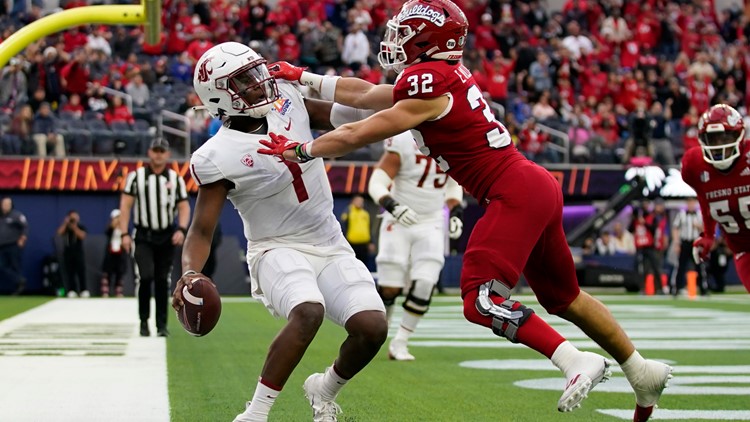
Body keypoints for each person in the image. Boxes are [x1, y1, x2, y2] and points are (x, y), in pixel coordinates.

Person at [262, 1, 672, 419]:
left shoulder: (426, 82)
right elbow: (367, 95)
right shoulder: (439, 75)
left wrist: (302, 149)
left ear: (427, 39)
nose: (397, 39)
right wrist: (304, 78)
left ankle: (571, 360)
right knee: (564, 297)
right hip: (535, 185)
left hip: (514, 191)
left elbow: (361, 130)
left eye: (406, 32)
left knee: (480, 299)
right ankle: (640, 370)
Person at [173, 42, 387, 422]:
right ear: (219, 95)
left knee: (371, 328)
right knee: (308, 312)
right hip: (275, 247)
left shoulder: (286, 97)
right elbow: (202, 228)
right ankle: (255, 413)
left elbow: (348, 114)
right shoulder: (215, 155)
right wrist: (190, 271)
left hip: (330, 243)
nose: (259, 82)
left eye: (256, 72)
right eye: (245, 80)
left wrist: (393, 101)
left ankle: (324, 390)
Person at [367, 131, 464, 361]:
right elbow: (377, 181)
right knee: (390, 287)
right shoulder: (403, 139)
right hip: (398, 217)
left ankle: (400, 342)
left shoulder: (454, 139)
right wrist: (392, 205)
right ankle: (381, 330)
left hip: (431, 220)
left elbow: (453, 184)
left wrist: (456, 211)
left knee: (425, 284)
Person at [119, 138, 190, 337]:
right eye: (155, 150)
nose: (158, 154)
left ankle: (161, 325)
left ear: (167, 154)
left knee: (162, 280)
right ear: (150, 153)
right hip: (144, 235)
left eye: (162, 151)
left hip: (166, 235)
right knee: (146, 276)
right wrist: (124, 233)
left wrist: (181, 229)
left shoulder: (175, 179)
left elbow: (184, 206)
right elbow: (125, 205)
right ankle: (143, 321)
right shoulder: (136, 177)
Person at [680, 103, 750, 294]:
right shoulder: (694, 166)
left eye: (725, 137)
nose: (719, 145)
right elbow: (706, 197)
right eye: (713, 139)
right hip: (744, 249)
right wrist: (709, 234)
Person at [669, 196, 707, 296]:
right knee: (681, 266)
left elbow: (705, 229)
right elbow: (675, 228)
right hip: (685, 242)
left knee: (699, 266)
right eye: (689, 202)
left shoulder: (699, 214)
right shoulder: (681, 214)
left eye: (692, 202)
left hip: (695, 243)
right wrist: (676, 242)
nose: (691, 205)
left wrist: (698, 226)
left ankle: (703, 288)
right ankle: (676, 288)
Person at [56, 210, 89, 298]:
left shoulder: (80, 226)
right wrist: (65, 223)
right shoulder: (66, 227)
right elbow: (59, 233)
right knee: (70, 272)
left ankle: (83, 290)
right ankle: (71, 290)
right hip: (68, 252)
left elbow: (82, 236)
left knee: (81, 271)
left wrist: (75, 227)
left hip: (78, 252)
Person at [0, 197, 27, 295]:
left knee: (15, 266)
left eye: (8, 204)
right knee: (2, 266)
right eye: (4, 204)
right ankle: (19, 280)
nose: (6, 206)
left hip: (13, 245)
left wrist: (23, 238)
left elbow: (25, 227)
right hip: (1, 246)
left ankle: (19, 287)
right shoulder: (1, 216)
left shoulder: (16, 215)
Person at [339, 194, 372, 266]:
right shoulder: (348, 211)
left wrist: (371, 242)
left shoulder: (365, 213)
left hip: (364, 244)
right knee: (352, 264)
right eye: (358, 201)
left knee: (364, 265)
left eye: (361, 201)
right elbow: (343, 226)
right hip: (352, 243)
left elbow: (369, 228)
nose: (360, 203)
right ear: (353, 201)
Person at [101, 209, 127, 298]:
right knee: (107, 272)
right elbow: (107, 232)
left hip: (120, 253)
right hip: (110, 254)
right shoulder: (110, 229)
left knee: (119, 272)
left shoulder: (124, 229)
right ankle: (105, 291)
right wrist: (114, 224)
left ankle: (118, 292)